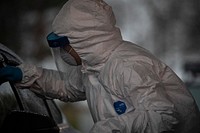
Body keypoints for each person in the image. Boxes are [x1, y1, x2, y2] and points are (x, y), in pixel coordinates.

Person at [0, 0, 200, 132]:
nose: (63, 53)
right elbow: (68, 87)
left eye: (64, 45)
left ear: (84, 40)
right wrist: (25, 75)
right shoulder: (93, 66)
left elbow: (164, 116)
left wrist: (109, 128)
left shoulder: (126, 64)